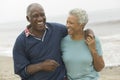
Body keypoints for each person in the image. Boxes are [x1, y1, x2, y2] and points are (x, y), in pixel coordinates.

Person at [13, 3, 93, 80]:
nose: (40, 18)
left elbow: (75, 31)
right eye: (35, 16)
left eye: (42, 14)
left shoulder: (57, 29)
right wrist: (41, 66)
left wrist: (89, 31)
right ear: (28, 18)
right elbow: (21, 71)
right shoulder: (21, 41)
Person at [61, 8, 105, 80]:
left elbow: (99, 68)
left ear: (82, 25)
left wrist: (93, 49)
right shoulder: (63, 41)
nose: (67, 25)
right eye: (67, 22)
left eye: (71, 23)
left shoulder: (93, 40)